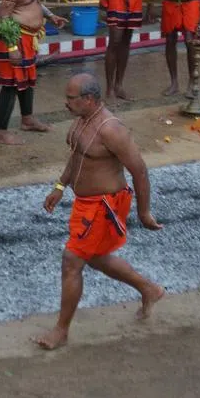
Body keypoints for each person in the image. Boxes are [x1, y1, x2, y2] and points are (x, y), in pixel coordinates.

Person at [34, 73, 165, 350]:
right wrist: (60, 185)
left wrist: (144, 213)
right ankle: (149, 289)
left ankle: (61, 330)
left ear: (89, 99)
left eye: (70, 98)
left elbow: (139, 171)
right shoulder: (83, 119)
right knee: (96, 258)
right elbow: (77, 156)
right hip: (86, 204)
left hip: (104, 205)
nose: (65, 103)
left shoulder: (111, 129)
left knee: (72, 261)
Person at [0, 0, 67, 145]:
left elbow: (35, 2)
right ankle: (0, 132)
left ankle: (28, 119)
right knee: (11, 84)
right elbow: (3, 18)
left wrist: (51, 16)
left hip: (29, 38)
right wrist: (12, 47)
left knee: (27, 80)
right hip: (14, 38)